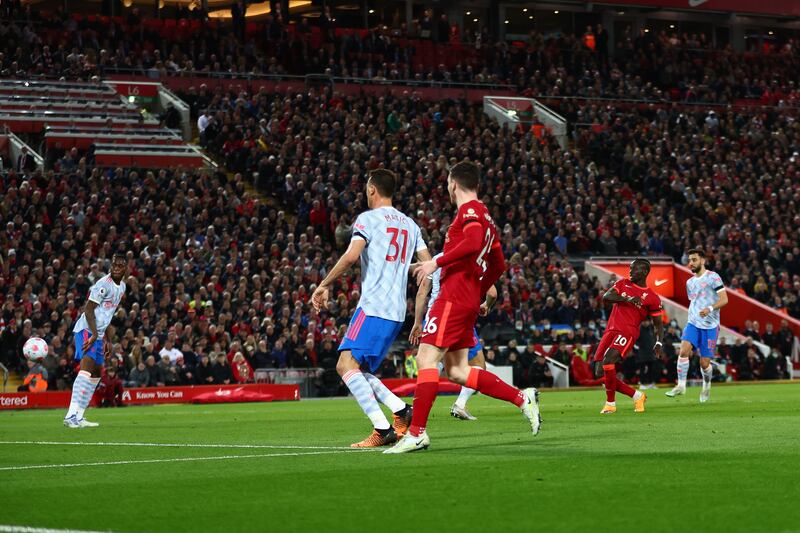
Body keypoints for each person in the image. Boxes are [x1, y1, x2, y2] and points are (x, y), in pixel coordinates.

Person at [386, 160, 540, 454]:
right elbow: (499, 264)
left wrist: (436, 261)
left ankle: (416, 433)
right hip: (466, 299)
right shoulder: (488, 219)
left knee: (426, 359)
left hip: (453, 298)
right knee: (458, 371)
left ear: (453, 183)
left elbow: (470, 243)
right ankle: (522, 398)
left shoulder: (469, 211)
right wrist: (478, 292)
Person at [311, 169, 432, 448]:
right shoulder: (411, 225)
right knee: (360, 369)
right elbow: (428, 269)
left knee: (344, 365)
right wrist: (418, 317)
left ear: (372, 190)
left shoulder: (367, 219)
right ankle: (401, 411)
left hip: (373, 306)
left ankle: (383, 428)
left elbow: (352, 255)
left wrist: (324, 284)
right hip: (397, 312)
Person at [410, 251, 498, 421]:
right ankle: (460, 404)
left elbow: (422, 293)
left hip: (434, 315)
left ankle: (418, 405)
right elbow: (492, 293)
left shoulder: (436, 259)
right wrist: (487, 304)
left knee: (431, 362)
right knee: (478, 365)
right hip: (458, 316)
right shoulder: (474, 258)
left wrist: (417, 322)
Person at [64, 253, 127, 428]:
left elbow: (107, 315)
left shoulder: (122, 287)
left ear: (125, 269)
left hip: (98, 334)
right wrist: (93, 335)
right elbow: (89, 310)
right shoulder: (102, 285)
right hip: (86, 329)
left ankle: (80, 416)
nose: (115, 267)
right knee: (86, 367)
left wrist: (105, 338)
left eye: (120, 265)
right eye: (114, 264)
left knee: (98, 373)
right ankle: (70, 415)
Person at [593, 260, 664, 414]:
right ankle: (637, 395)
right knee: (599, 371)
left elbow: (658, 324)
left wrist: (659, 342)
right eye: (630, 268)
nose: (630, 271)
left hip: (627, 331)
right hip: (610, 330)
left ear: (644, 272)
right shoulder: (623, 284)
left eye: (634, 269)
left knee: (608, 360)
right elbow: (607, 297)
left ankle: (610, 404)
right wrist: (627, 299)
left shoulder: (652, 297)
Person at [667, 248, 728, 402]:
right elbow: (694, 301)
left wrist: (710, 308)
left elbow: (724, 299)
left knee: (704, 363)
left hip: (710, 326)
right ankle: (681, 386)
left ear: (702, 260)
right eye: (689, 260)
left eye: (694, 260)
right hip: (693, 323)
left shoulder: (713, 277)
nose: (691, 263)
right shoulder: (690, 282)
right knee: (683, 351)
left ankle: (706, 386)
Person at [636, 318, 658, 390]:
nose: (646, 323)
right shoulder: (639, 330)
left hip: (651, 352)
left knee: (651, 369)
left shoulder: (651, 329)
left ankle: (651, 383)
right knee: (642, 369)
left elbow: (654, 339)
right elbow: (636, 340)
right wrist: (640, 346)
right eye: (644, 321)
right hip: (642, 352)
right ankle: (641, 383)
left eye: (647, 321)